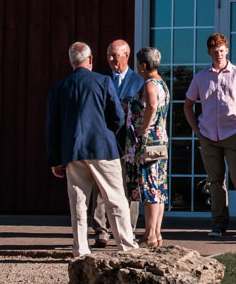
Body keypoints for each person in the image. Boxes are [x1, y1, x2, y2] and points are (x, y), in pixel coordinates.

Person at [48, 41, 137, 256]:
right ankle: (127, 246)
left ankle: (81, 249)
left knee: (78, 203)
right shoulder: (103, 82)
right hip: (102, 148)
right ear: (90, 60)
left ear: (71, 61)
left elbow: (53, 126)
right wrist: (111, 136)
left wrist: (55, 160)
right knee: (115, 199)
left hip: (73, 151)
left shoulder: (59, 88)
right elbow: (117, 117)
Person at [184, 32, 236, 238]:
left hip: (233, 134)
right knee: (215, 181)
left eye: (221, 50)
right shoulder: (201, 77)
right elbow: (188, 106)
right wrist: (196, 130)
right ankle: (219, 225)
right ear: (209, 52)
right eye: (214, 51)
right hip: (208, 135)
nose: (218, 54)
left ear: (227, 50)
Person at [94, 39, 144, 246]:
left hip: (129, 141)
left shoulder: (139, 80)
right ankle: (101, 232)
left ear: (127, 55)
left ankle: (128, 230)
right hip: (105, 139)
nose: (112, 59)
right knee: (100, 186)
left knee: (129, 186)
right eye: (109, 55)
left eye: (115, 55)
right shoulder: (100, 78)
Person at [130, 47, 173, 247]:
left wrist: (143, 128)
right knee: (158, 187)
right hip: (161, 140)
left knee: (149, 187)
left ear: (143, 65)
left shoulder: (149, 84)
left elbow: (152, 106)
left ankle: (149, 234)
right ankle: (156, 233)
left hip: (148, 141)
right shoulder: (163, 84)